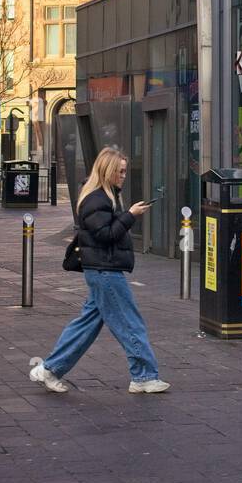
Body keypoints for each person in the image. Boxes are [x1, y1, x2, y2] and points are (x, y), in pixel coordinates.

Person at [28, 147, 170, 395]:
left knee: (86, 324)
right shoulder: (97, 199)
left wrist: (127, 213)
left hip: (103, 269)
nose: (124, 176)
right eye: (120, 171)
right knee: (129, 322)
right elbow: (105, 235)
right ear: (107, 171)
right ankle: (144, 376)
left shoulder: (104, 196)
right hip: (105, 270)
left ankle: (49, 370)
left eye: (125, 171)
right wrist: (131, 215)